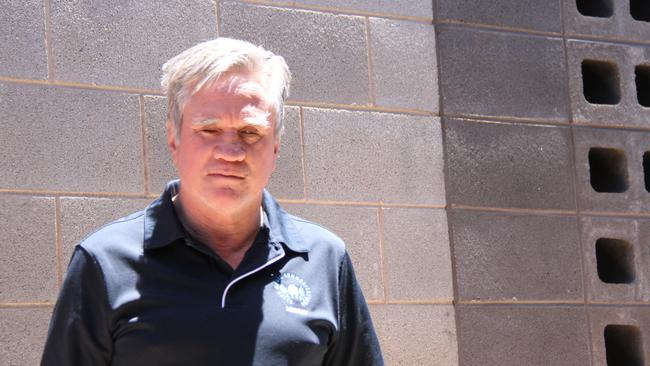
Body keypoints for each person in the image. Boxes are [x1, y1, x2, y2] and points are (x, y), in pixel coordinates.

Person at [41, 38, 384, 365]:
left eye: (251, 132)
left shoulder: (324, 259)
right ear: (173, 138)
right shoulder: (104, 262)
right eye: (209, 130)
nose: (231, 152)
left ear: (276, 146)